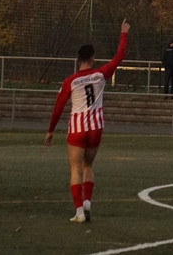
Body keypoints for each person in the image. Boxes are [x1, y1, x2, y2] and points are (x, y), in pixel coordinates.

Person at [45, 20, 130, 224]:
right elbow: (119, 57)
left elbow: (58, 107)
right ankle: (88, 201)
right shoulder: (100, 75)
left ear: (78, 59)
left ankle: (79, 212)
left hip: (77, 129)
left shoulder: (70, 81)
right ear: (93, 58)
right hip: (95, 128)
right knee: (88, 166)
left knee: (75, 169)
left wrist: (50, 130)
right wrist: (123, 34)